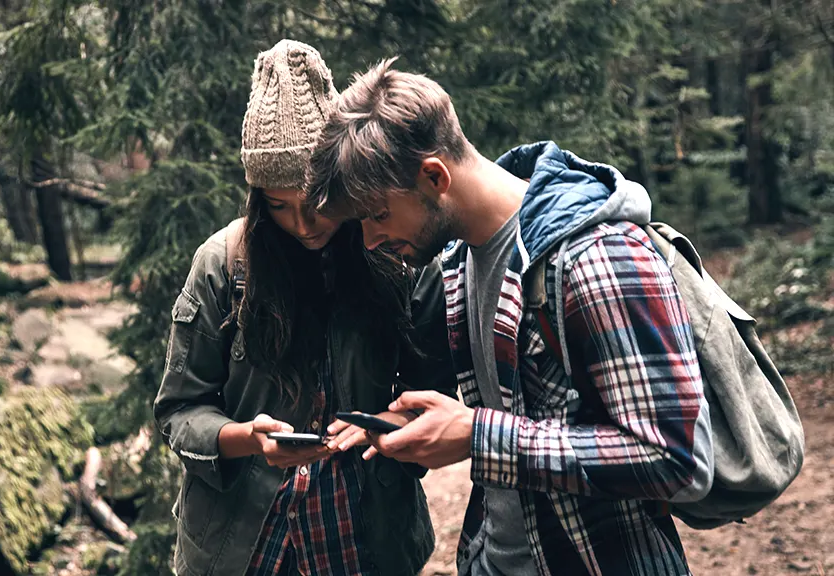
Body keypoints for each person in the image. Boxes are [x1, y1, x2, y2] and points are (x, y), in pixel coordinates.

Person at [306, 59, 715, 576]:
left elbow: (677, 461)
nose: (370, 240)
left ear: (434, 176)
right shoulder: (458, 266)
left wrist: (477, 435)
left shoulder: (597, 254)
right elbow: (520, 418)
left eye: (378, 214)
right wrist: (419, 425)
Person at [154, 41, 455, 576]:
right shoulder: (224, 265)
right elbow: (180, 411)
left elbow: (435, 391)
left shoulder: (399, 252)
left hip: (367, 534)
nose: (304, 223)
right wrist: (248, 439)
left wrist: (381, 423)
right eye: (278, 205)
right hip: (243, 544)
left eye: (316, 200)